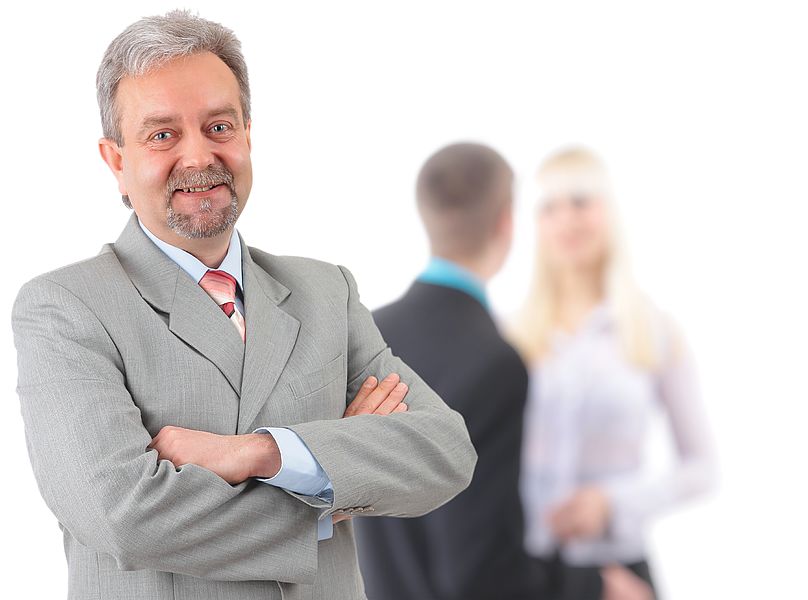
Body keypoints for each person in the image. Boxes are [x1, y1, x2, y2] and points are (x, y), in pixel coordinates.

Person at [10, 11, 475, 600]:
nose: (199, 156)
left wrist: (259, 453)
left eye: (219, 126)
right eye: (162, 135)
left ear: (248, 136)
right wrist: (329, 485)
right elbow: (125, 516)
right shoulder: (66, 308)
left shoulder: (327, 292)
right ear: (116, 162)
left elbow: (445, 451)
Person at [354, 142, 643, 600]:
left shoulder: (368, 331)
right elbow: (481, 571)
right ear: (508, 222)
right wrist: (593, 587)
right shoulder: (496, 362)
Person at [509, 147, 716, 600]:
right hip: (525, 569)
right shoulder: (513, 336)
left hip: (617, 571)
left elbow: (702, 467)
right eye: (549, 208)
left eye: (580, 201)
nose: (566, 219)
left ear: (608, 211)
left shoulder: (654, 330)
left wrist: (613, 504)